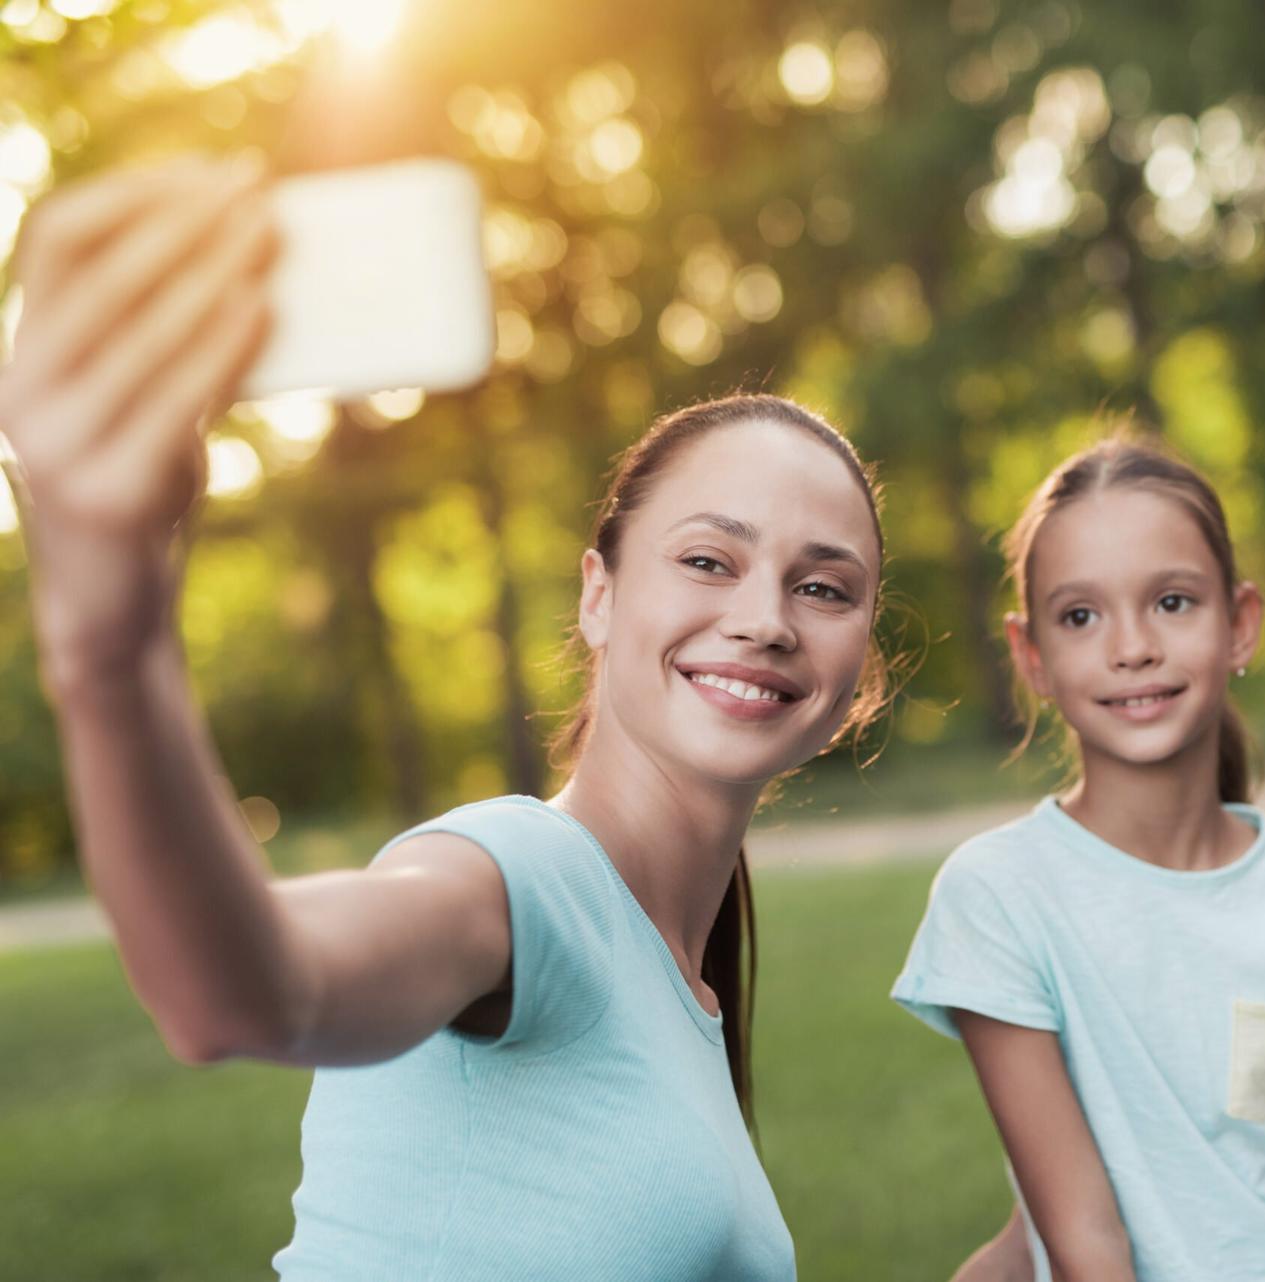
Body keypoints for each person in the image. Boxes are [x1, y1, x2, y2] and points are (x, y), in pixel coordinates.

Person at [0, 157, 895, 1279]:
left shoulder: (682, 975)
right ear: (599, 596)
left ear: (862, 665)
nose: (765, 619)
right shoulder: (519, 880)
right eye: (709, 560)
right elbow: (248, 988)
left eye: (823, 587)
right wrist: (108, 645)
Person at [891, 435, 1265, 1282]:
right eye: (1080, 616)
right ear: (1032, 656)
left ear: (1240, 626)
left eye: (1173, 602)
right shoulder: (999, 894)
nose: (1132, 646)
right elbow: (1084, 1237)